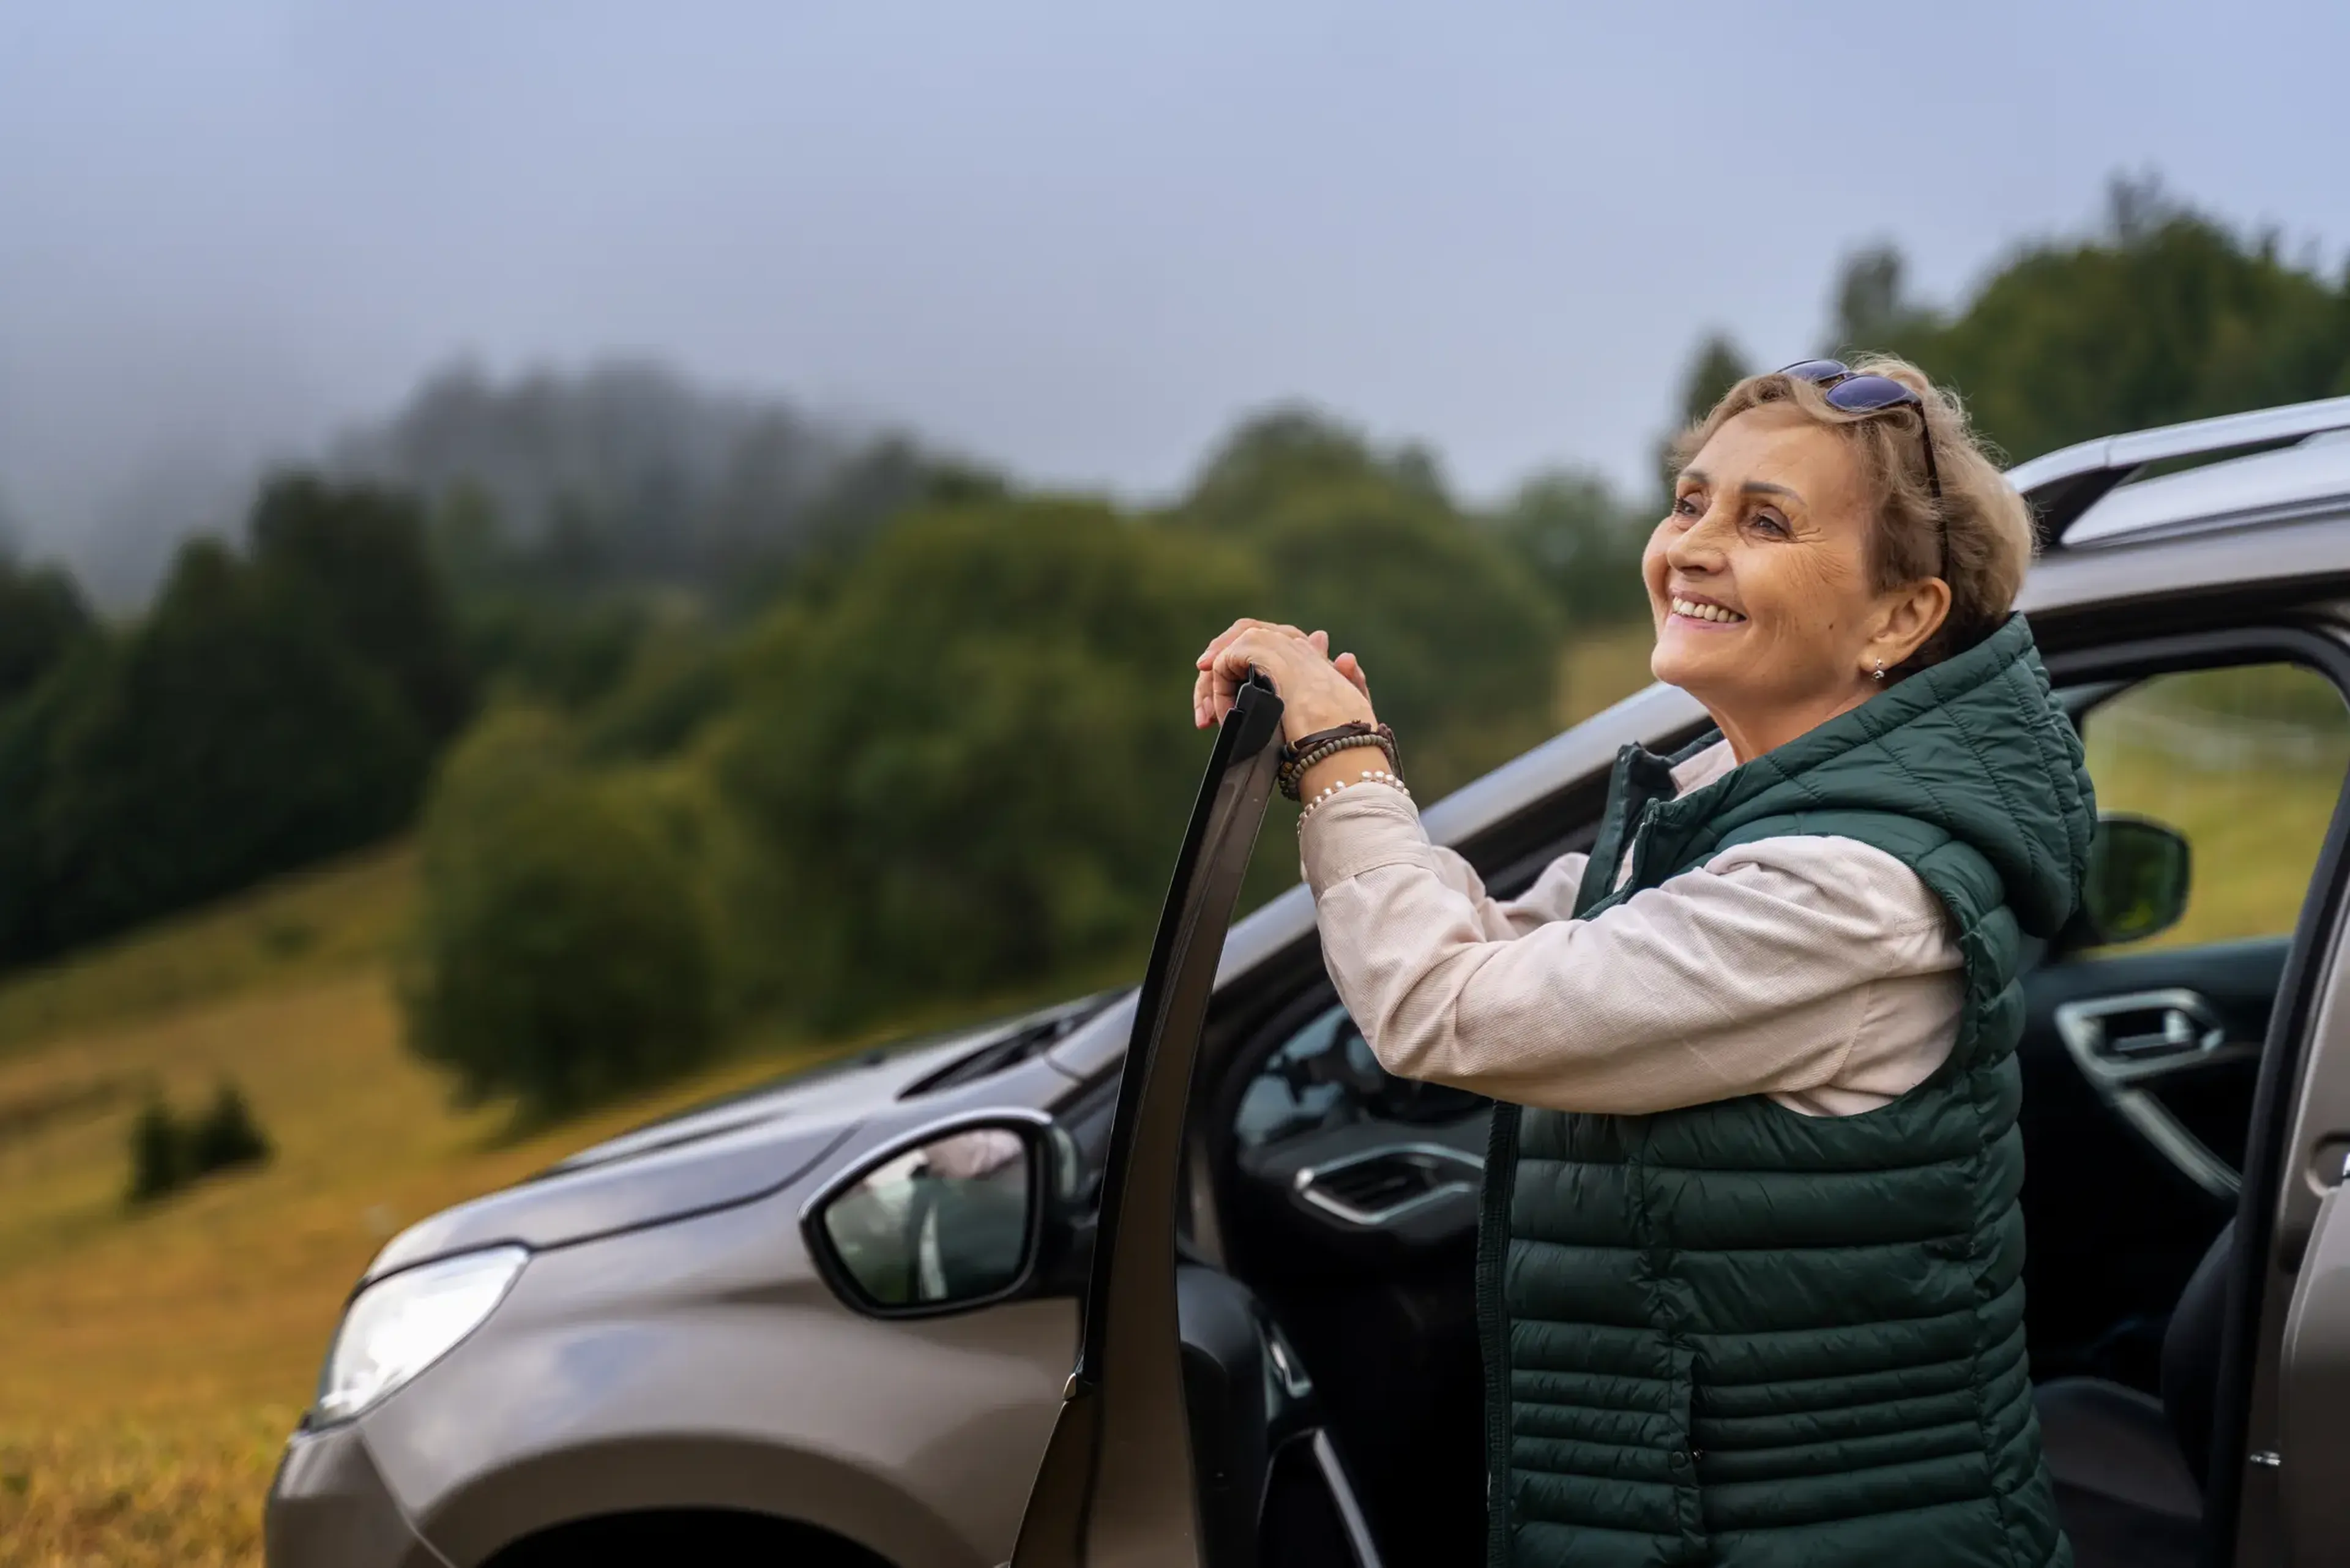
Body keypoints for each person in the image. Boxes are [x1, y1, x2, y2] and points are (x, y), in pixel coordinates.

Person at [1192, 359, 2093, 1568]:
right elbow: (1514, 944)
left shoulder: (1840, 891)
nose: (1693, 546)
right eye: (1690, 503)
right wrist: (1352, 763)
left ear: (1899, 618)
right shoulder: (1744, 814)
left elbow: (1442, 1007)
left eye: (1764, 520)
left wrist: (1342, 756)